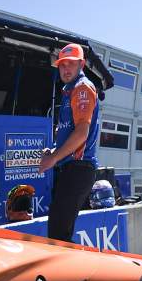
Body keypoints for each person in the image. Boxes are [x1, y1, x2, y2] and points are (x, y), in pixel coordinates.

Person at [39, 43, 100, 242]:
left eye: (70, 64)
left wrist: (54, 158)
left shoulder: (82, 88)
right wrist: (55, 150)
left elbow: (82, 132)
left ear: (81, 64)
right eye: (62, 64)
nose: (65, 69)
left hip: (79, 170)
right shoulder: (70, 89)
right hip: (72, 169)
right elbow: (73, 133)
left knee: (58, 234)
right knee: (59, 232)